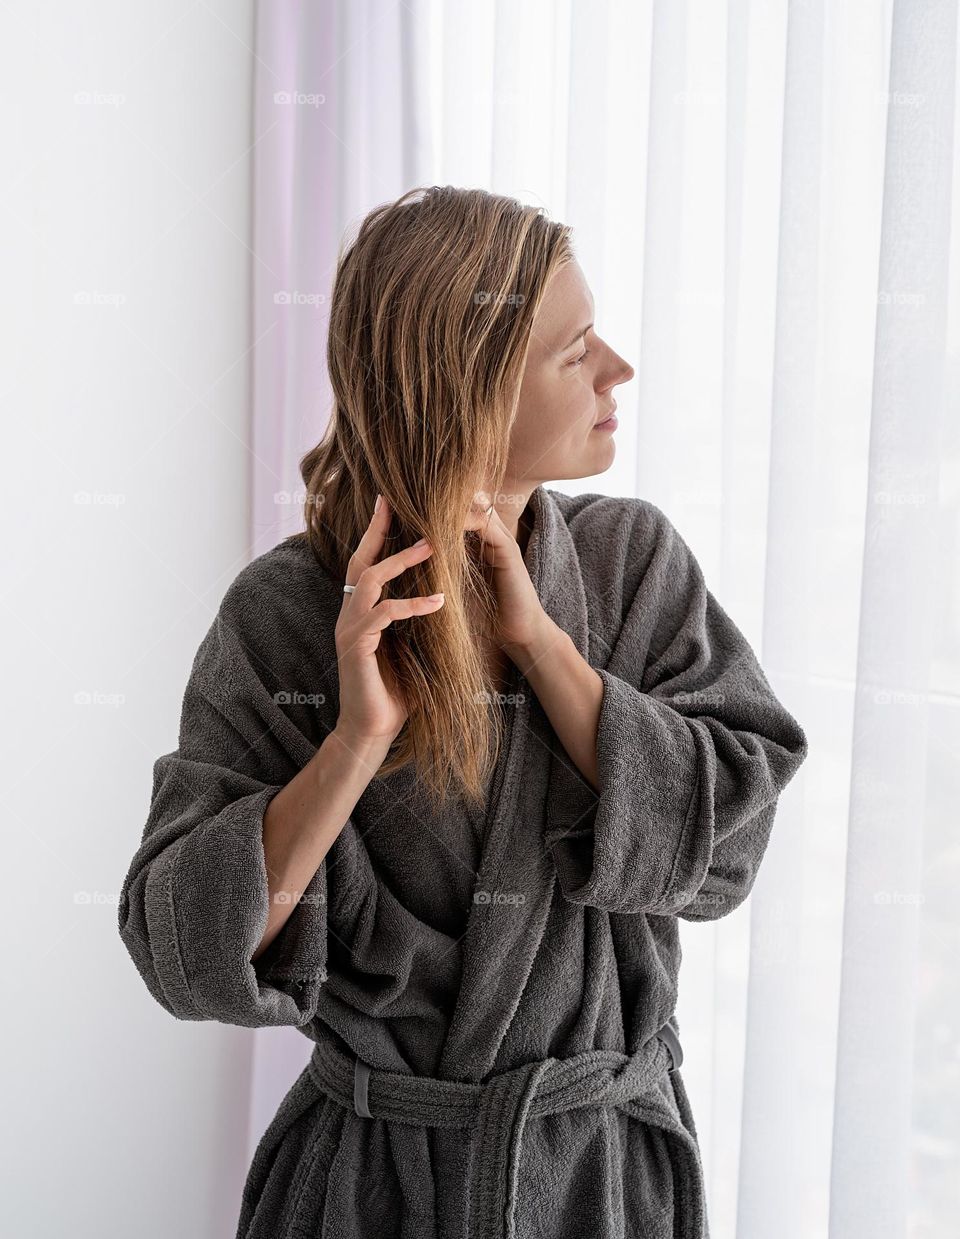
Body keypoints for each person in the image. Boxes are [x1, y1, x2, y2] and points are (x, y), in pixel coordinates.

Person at [118, 185, 808, 1239]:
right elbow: (183, 952)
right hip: (369, 1194)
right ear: (468, 390)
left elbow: (730, 848)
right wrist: (354, 743)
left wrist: (545, 649)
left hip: (598, 1186)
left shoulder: (632, 568)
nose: (617, 371)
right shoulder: (286, 617)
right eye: (574, 351)